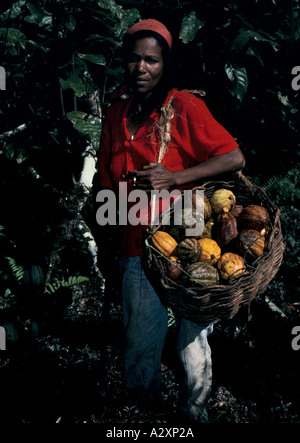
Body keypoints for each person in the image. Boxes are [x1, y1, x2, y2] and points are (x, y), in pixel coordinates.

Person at [98, 19, 245, 423]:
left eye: (151, 60)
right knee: (139, 339)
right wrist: (106, 229)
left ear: (166, 65)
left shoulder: (182, 106)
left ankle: (193, 414)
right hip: (134, 244)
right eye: (134, 59)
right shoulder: (115, 114)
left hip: (187, 237)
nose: (141, 68)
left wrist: (175, 177)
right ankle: (138, 416)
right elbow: (105, 179)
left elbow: (233, 157)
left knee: (192, 338)